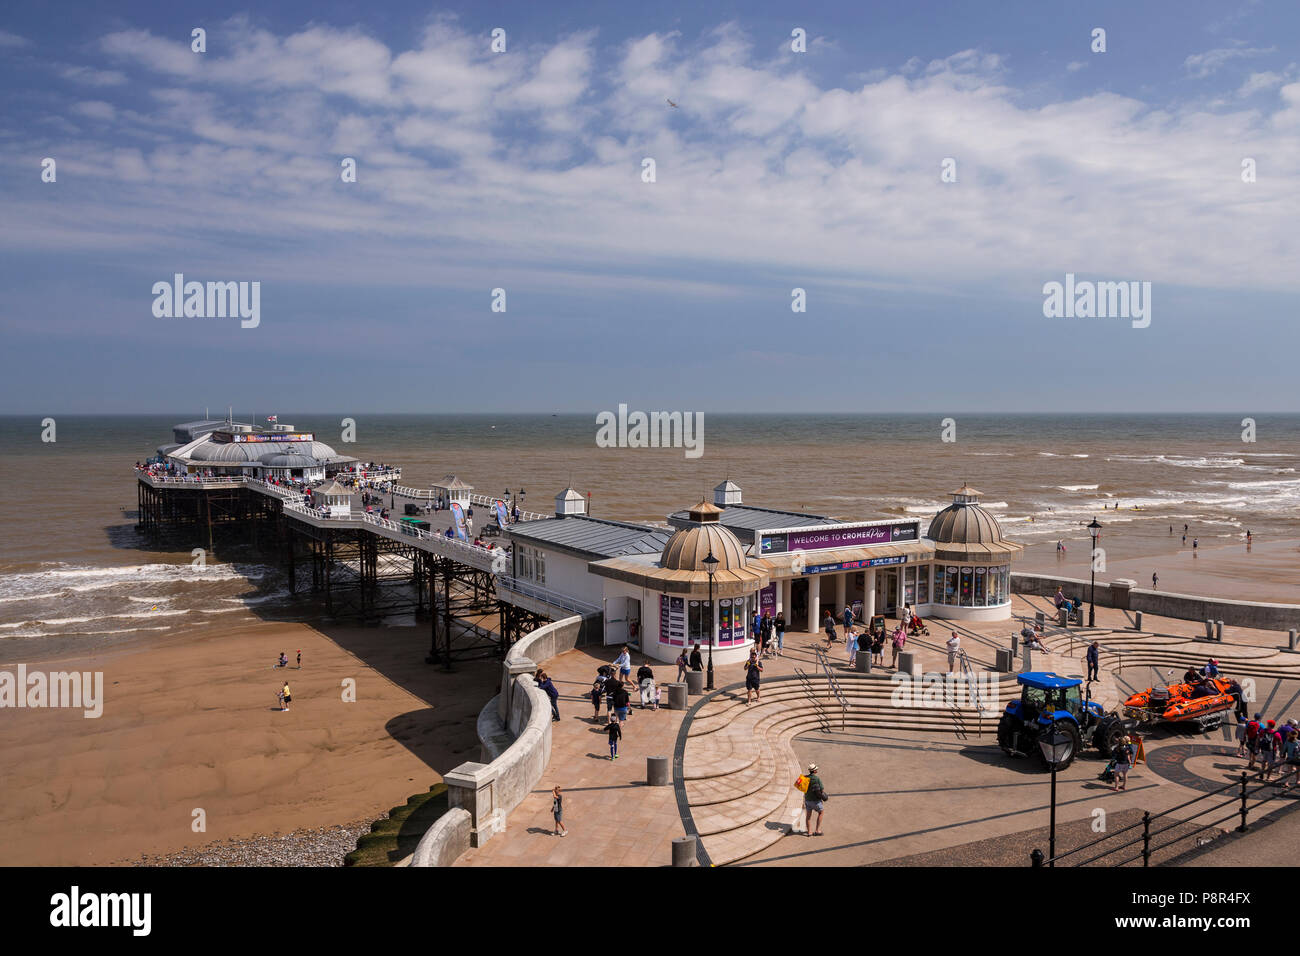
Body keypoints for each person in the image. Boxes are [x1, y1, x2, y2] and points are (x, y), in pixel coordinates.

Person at [803, 763, 827, 837]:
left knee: (808, 816)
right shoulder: (816, 779)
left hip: (807, 800)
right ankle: (817, 830)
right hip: (816, 801)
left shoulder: (805, 778)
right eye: (816, 769)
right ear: (814, 771)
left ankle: (809, 832)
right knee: (821, 812)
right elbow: (822, 789)